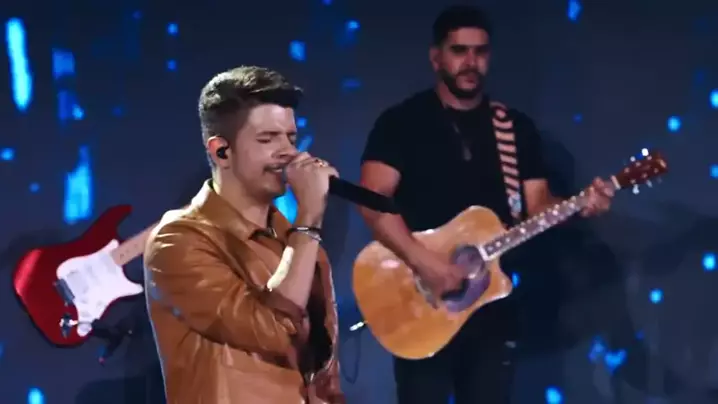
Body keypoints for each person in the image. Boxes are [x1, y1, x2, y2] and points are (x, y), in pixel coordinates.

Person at [358, 5, 615, 404]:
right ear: (436, 57)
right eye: (459, 51)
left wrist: (580, 204)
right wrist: (426, 263)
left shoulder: (515, 129)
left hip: (491, 309)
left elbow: (537, 205)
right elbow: (373, 202)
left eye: (480, 52)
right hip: (421, 301)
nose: (471, 62)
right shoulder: (401, 123)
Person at [144, 66, 345, 404]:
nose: (287, 152)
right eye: (268, 139)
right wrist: (308, 220)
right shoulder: (177, 241)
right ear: (221, 151)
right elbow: (272, 330)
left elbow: (325, 374)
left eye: (291, 138)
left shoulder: (297, 241)